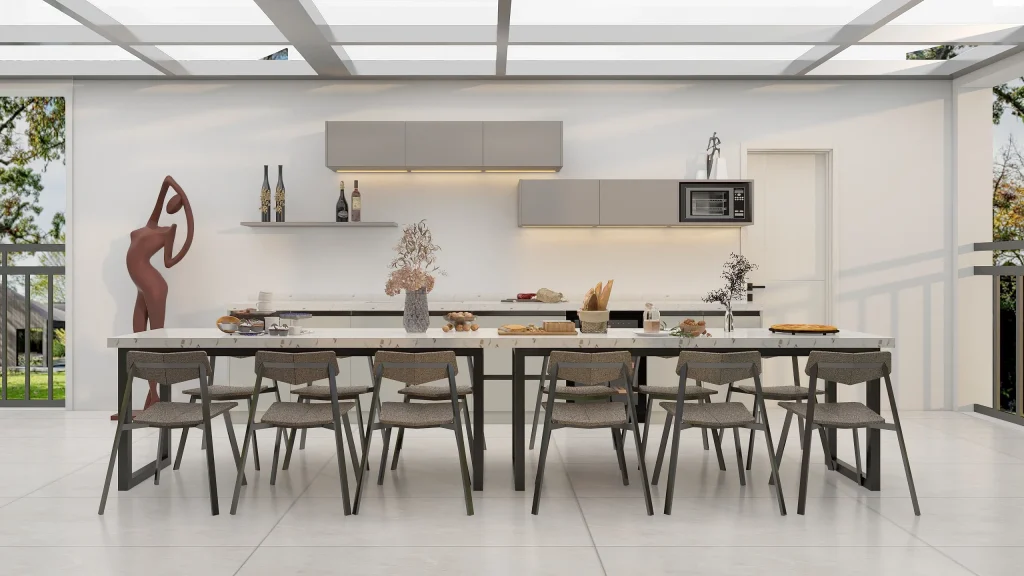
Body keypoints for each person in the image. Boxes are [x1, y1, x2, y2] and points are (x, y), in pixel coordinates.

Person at [126, 175, 194, 407]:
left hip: (153, 286)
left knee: (154, 340)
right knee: (137, 342)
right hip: (141, 288)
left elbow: (169, 261)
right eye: (171, 203)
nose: (169, 206)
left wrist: (187, 232)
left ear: (176, 209)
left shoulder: (169, 231)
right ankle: (147, 396)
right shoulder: (151, 223)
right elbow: (166, 182)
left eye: (174, 204)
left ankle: (154, 396)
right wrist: (178, 191)